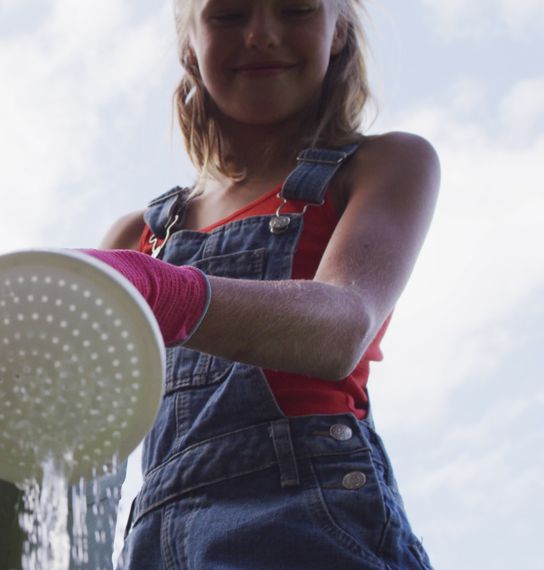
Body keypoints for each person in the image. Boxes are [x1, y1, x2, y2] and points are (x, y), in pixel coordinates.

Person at [83, 0, 439, 567]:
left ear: (339, 32)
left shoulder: (382, 165)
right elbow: (77, 436)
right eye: (228, 15)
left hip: (309, 522)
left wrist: (162, 289)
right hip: (155, 547)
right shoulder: (139, 235)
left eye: (295, 9)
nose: (262, 35)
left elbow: (342, 324)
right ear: (188, 45)